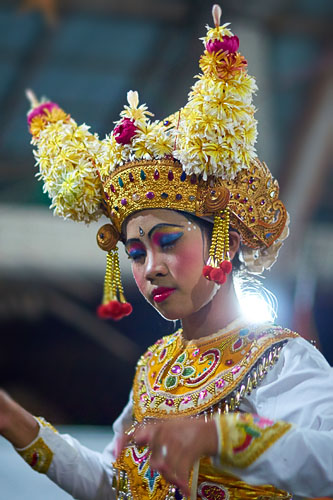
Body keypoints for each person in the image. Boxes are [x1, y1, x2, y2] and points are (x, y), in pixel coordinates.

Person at [1, 4, 332, 500]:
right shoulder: (154, 369)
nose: (151, 267)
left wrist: (216, 435)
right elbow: (116, 485)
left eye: (169, 242)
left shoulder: (281, 360)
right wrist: (12, 420)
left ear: (228, 241)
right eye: (135, 252)